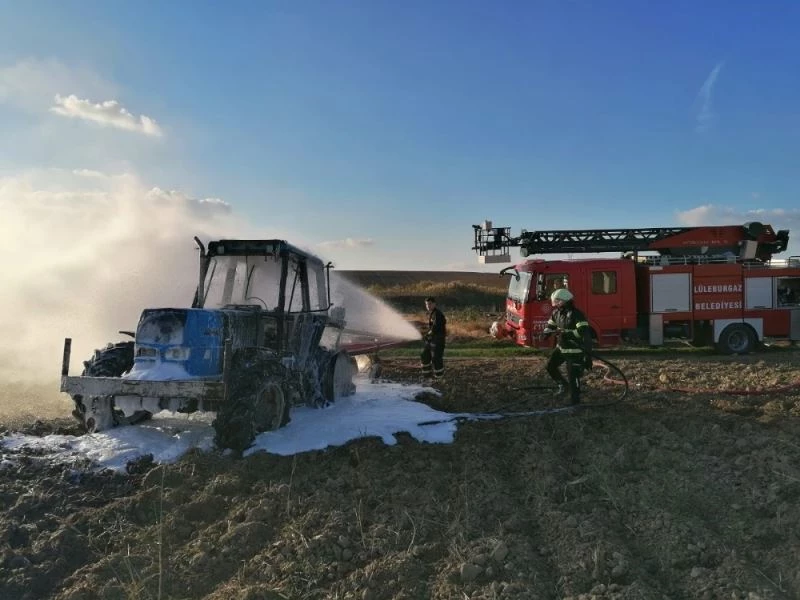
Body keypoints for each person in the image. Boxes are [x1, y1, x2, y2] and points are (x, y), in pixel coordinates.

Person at [540, 288, 592, 405]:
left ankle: (576, 403)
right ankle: (563, 385)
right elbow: (550, 326)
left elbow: (583, 331)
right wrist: (545, 334)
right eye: (555, 301)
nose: (555, 304)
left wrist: (566, 334)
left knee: (573, 377)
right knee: (550, 366)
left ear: (564, 300)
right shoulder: (556, 313)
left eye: (558, 301)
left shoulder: (576, 314)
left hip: (575, 351)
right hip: (562, 349)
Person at [420, 296, 447, 380]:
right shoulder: (432, 314)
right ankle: (427, 376)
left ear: (434, 304)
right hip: (432, 339)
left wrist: (428, 334)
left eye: (430, 304)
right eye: (427, 304)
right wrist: (427, 334)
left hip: (438, 340)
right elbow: (432, 328)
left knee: (436, 359)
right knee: (424, 355)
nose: (428, 306)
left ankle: (439, 378)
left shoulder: (438, 314)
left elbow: (435, 327)